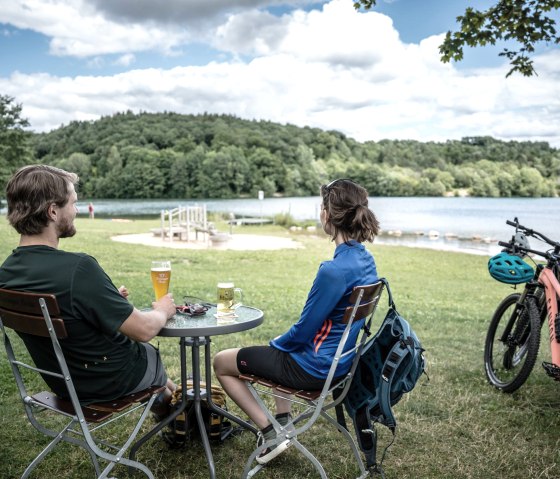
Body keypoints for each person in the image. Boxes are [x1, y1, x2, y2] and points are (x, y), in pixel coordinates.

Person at [213, 178, 380, 464]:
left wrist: (276, 344)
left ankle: (271, 433)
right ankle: (283, 420)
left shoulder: (333, 271)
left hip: (313, 369)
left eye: (321, 207)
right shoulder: (366, 260)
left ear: (327, 215)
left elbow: (302, 333)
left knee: (222, 362)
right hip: (340, 365)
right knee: (280, 351)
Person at [0, 165, 176, 414]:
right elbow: (144, 330)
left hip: (66, 384)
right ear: (52, 211)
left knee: (155, 374)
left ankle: (178, 409)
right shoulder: (78, 269)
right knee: (147, 354)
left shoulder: (6, 273)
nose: (76, 210)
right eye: (73, 203)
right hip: (109, 382)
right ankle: (183, 412)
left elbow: (66, 315)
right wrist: (164, 310)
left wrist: (103, 304)